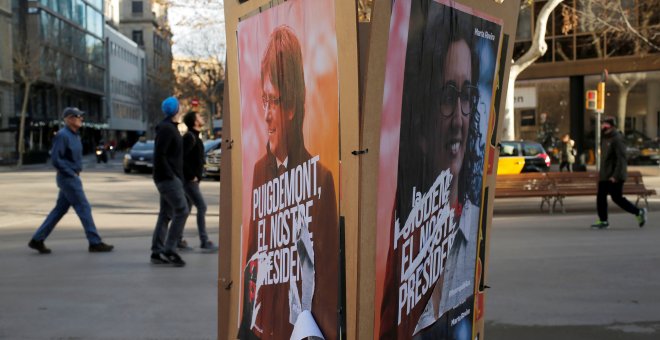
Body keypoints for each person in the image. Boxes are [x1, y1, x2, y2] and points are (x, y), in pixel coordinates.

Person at [379, 3, 487, 338]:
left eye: (466, 95)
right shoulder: (393, 240)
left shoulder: (471, 225)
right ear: (420, 116)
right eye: (446, 96)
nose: (458, 118)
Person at [238, 25, 339, 339]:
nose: (266, 114)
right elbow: (252, 264)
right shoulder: (258, 172)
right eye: (263, 100)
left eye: (275, 101)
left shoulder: (320, 179)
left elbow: (326, 286)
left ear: (293, 107)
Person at [28, 107, 114, 254]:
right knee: (84, 208)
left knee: (59, 210)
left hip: (71, 176)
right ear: (68, 119)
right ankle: (95, 242)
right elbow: (55, 159)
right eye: (77, 116)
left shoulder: (75, 135)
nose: (81, 118)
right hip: (68, 178)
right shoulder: (63, 135)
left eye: (81, 116)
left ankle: (37, 240)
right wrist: (70, 173)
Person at [150, 96, 189, 266]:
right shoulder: (167, 129)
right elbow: (160, 156)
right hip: (168, 179)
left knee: (166, 214)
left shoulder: (169, 128)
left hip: (169, 177)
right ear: (176, 110)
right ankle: (170, 249)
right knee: (182, 210)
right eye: (179, 107)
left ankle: (157, 251)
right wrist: (172, 176)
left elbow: (173, 154)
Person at [591, 116, 647, 229]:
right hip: (605, 174)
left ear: (611, 126)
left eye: (604, 124)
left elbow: (621, 159)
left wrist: (615, 176)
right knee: (601, 197)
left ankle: (638, 212)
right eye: (602, 124)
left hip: (614, 175)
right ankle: (603, 220)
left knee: (617, 198)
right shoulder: (605, 138)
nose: (602, 126)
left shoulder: (617, 138)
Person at [179, 110, 218, 252]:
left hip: (192, 180)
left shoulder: (194, 137)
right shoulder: (189, 137)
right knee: (202, 207)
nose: (202, 117)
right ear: (195, 121)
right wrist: (191, 176)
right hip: (189, 181)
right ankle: (204, 240)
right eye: (199, 116)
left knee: (185, 210)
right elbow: (181, 158)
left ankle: (178, 240)